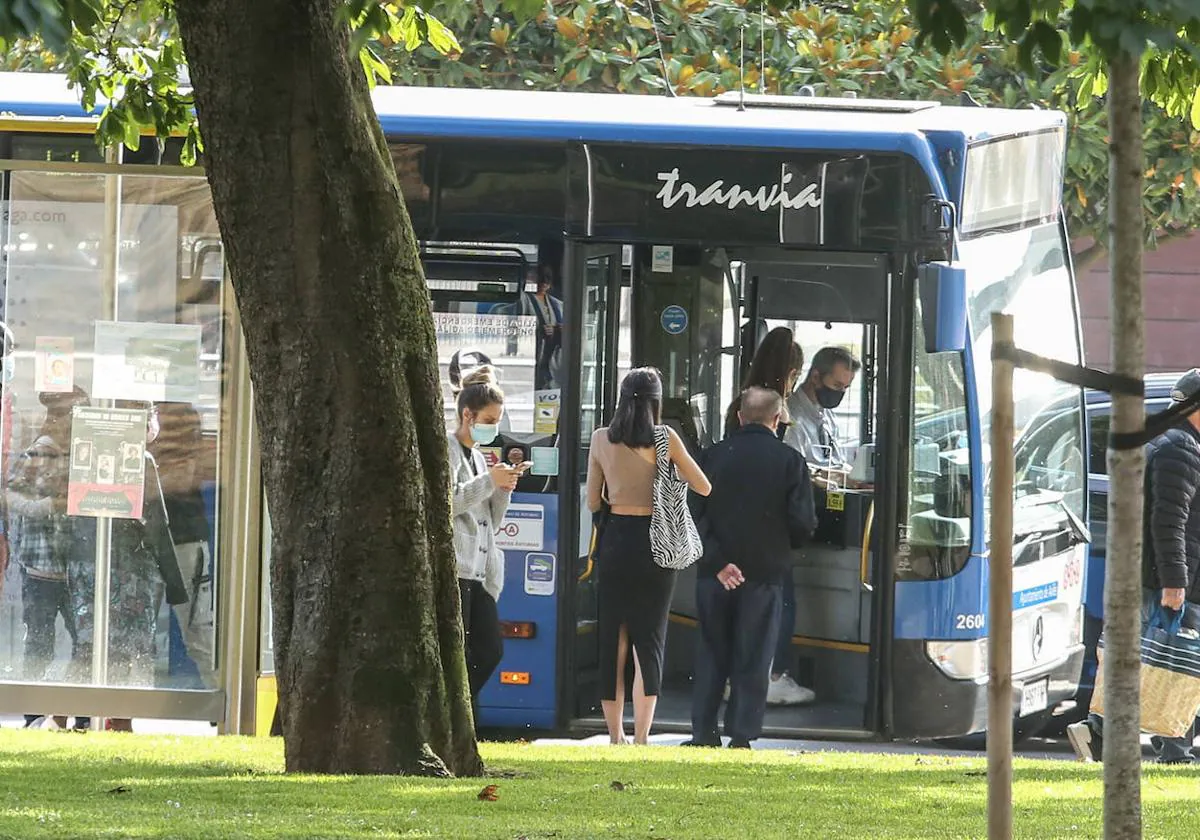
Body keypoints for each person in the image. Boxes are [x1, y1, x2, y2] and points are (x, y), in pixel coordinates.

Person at [1067, 369, 1200, 764]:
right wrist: (1175, 584)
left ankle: (1098, 732)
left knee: (1152, 662)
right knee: (1172, 663)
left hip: (1153, 577)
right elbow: (1168, 521)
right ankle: (1169, 751)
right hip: (1165, 581)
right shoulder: (1180, 449)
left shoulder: (1173, 443)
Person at [686, 387, 817, 749]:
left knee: (712, 650)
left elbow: (693, 516)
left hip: (714, 576)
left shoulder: (709, 457)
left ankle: (703, 732)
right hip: (765, 573)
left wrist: (718, 562)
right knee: (755, 655)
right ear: (778, 420)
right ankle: (741, 735)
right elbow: (802, 522)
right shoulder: (791, 462)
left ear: (740, 417)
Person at [587, 367, 710, 744]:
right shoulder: (665, 438)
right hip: (657, 544)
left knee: (614, 638)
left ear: (622, 399)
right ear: (656, 403)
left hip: (615, 542)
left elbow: (593, 500)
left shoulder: (600, 439)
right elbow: (703, 486)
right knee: (649, 639)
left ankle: (614, 736)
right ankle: (642, 736)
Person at [723, 327, 813, 706]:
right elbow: (787, 467)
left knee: (740, 606)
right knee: (781, 602)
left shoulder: (740, 404)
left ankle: (740, 675)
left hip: (735, 524)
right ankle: (773, 675)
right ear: (787, 372)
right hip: (769, 526)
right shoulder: (775, 409)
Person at [7, 387, 92, 730]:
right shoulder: (37, 453)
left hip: (76, 568)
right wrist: (47, 506)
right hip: (42, 568)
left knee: (85, 642)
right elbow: (11, 496)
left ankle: (81, 713)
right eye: (64, 416)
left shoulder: (83, 456)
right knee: (40, 642)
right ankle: (34, 715)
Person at [449, 366, 524, 703]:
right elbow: (449, 501)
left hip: (481, 572)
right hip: (459, 566)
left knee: (490, 649)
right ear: (468, 415)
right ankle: (458, 711)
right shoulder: (448, 449)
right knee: (462, 653)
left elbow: (491, 522)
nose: (494, 428)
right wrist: (489, 481)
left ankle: (459, 708)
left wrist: (504, 487)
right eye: (490, 420)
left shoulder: (480, 458)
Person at [149, 402, 216, 689]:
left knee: (197, 632)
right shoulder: (156, 450)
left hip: (184, 542)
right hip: (159, 541)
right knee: (140, 628)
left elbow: (178, 482)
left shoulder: (183, 454)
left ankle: (222, 699)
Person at [786, 345, 862, 483]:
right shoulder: (790, 416)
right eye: (837, 385)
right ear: (815, 377)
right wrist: (838, 476)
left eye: (846, 387)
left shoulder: (828, 415)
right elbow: (794, 470)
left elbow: (836, 460)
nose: (841, 392)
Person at [516, 264, 564, 390]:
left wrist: (559, 330)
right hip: (532, 357)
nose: (544, 281)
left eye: (548, 278)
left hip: (552, 361)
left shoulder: (558, 305)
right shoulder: (522, 299)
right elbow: (515, 326)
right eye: (540, 277)